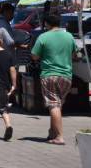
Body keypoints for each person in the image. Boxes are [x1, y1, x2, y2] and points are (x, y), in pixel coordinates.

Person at [31, 13, 77, 145]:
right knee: (57, 105)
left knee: (53, 105)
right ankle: (52, 132)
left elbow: (34, 56)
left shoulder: (43, 37)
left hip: (49, 74)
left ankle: (59, 136)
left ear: (47, 24)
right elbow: (75, 54)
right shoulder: (69, 36)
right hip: (66, 76)